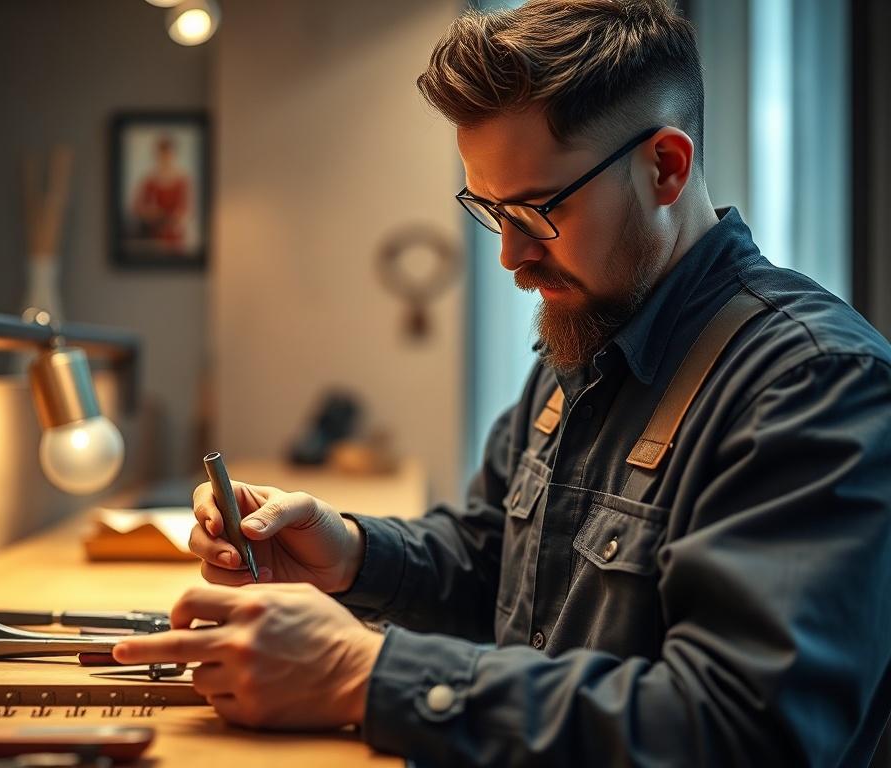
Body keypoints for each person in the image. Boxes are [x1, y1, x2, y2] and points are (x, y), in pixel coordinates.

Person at [114, 1, 891, 764]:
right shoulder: (587, 334)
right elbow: (498, 561)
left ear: (665, 166)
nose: (510, 256)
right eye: (489, 210)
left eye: (537, 211)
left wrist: (365, 672)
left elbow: (741, 729)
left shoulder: (813, 385)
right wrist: (348, 552)